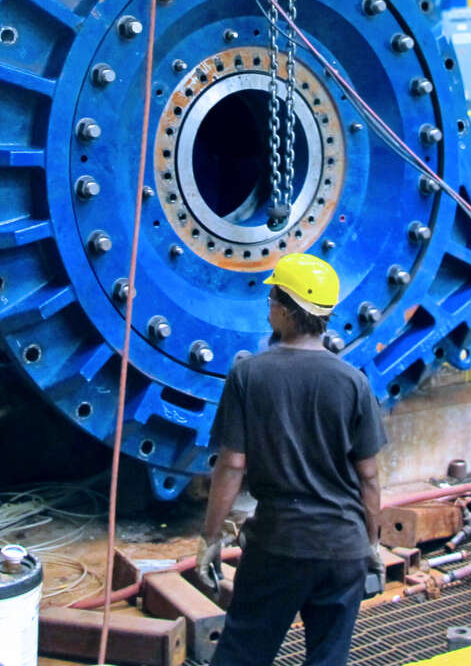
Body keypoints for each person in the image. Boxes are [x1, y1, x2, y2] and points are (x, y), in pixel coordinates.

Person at [196, 252, 386, 666]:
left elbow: (231, 466)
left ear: (282, 309)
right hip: (343, 549)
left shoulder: (249, 375)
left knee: (242, 654)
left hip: (279, 546)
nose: (269, 310)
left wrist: (211, 539)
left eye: (271, 302)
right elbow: (369, 478)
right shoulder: (354, 382)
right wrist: (372, 544)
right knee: (328, 658)